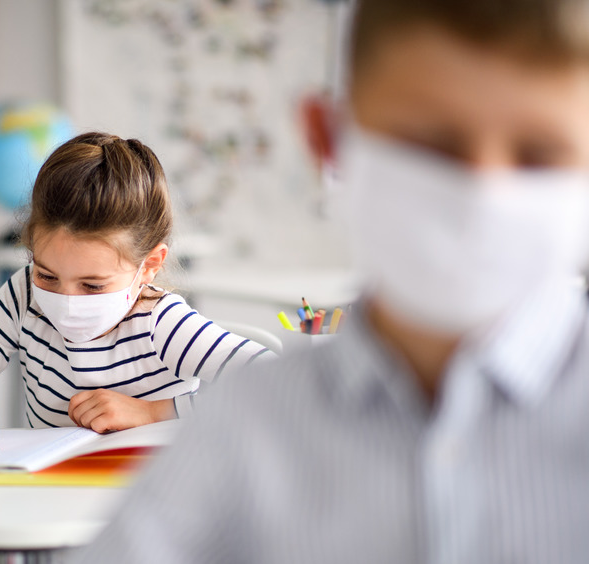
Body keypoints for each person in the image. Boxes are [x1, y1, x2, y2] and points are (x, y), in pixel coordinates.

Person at [75, 0, 589, 562]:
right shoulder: (243, 426)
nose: (483, 196)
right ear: (330, 138)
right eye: (433, 145)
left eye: (541, 156)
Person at [0, 132, 273, 449]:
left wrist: (153, 412)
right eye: (47, 276)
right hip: (51, 503)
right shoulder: (22, 296)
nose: (65, 302)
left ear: (149, 265)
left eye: (93, 286)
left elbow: (276, 385)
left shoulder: (160, 322)